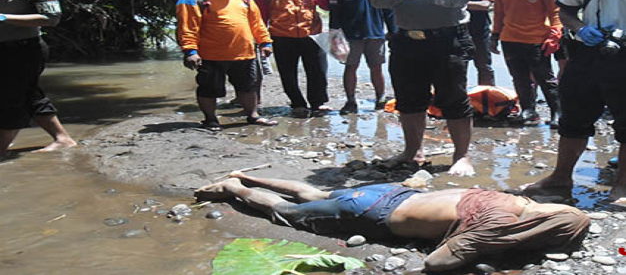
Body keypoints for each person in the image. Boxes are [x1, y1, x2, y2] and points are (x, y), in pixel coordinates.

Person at [195, 173, 589, 272]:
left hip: (387, 191)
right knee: (286, 213)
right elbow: (436, 264)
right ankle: (236, 187)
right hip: (371, 215)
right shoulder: (499, 225)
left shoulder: (510, 200)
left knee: (314, 193)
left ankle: (250, 177)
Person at [522, 0, 626, 201]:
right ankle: (560, 178)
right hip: (588, 56)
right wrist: (581, 29)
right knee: (573, 119)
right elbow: (565, 11)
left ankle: (622, 185)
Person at [370, 0, 478, 176]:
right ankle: (412, 152)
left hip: (447, 38)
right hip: (406, 38)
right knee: (409, 99)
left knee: (453, 98)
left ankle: (462, 156)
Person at [176, 0, 277, 131]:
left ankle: (252, 115)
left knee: (248, 87)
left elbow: (256, 23)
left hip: (244, 53)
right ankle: (210, 119)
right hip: (210, 55)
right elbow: (187, 28)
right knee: (209, 89)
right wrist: (190, 51)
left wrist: (265, 42)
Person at [0, 0, 77, 158]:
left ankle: (1, 149)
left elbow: (52, 18)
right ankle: (63, 139)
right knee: (29, 94)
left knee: (10, 98)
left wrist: (4, 17)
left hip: (23, 49)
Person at [490, 0, 562, 129]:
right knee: (519, 78)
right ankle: (528, 110)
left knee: (545, 78)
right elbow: (498, 15)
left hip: (537, 40)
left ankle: (557, 112)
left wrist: (555, 36)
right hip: (510, 40)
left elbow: (555, 13)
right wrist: (494, 37)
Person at [254, 0, 330, 116]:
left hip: (313, 35)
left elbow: (327, 5)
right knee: (288, 73)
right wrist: (263, 41)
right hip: (282, 37)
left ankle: (317, 103)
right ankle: (297, 103)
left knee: (318, 71)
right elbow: (259, 17)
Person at [329, 0, 397, 114]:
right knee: (351, 67)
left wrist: (393, 32)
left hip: (375, 35)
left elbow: (389, 12)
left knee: (376, 67)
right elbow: (334, 16)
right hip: (351, 37)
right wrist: (334, 38)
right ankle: (351, 100)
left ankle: (380, 99)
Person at [225, 0, 269, 106]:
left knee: (254, 67)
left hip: (251, 34)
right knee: (233, 68)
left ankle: (256, 96)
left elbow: (260, 15)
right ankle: (239, 96)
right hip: (229, 35)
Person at [545, 0, 573, 81]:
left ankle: (560, 93)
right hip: (542, 29)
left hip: (561, 29)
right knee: (537, 65)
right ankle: (531, 96)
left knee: (565, 62)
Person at [466, 0, 496, 86]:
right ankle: (458, 98)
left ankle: (488, 96)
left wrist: (456, 2)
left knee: (484, 66)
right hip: (457, 31)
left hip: (479, 31)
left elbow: (484, 5)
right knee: (456, 66)